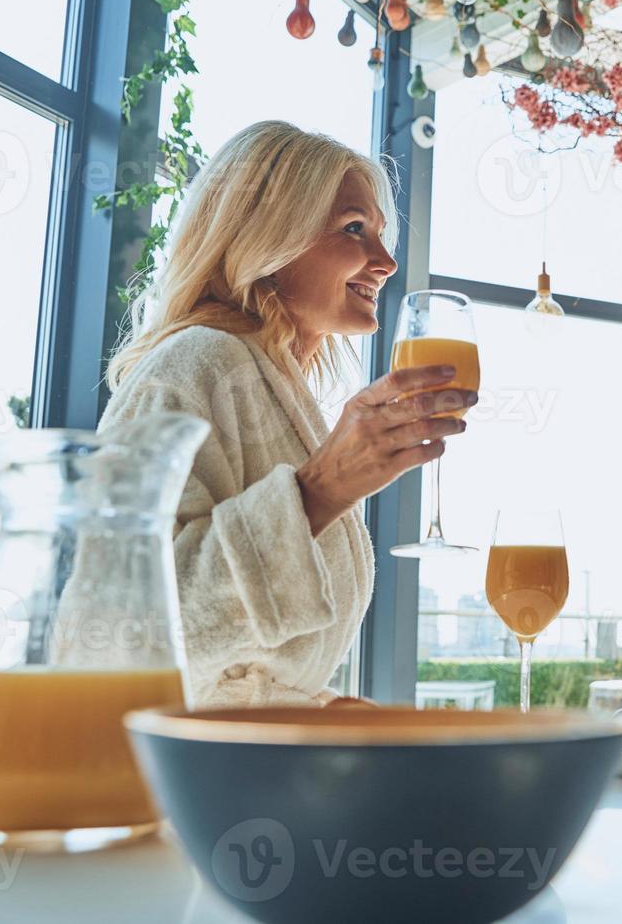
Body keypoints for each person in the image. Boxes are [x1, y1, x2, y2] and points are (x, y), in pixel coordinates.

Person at [97, 120, 470, 707]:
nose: (387, 262)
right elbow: (123, 627)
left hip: (245, 763)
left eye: (379, 233)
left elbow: (248, 669)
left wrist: (321, 710)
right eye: (354, 229)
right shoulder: (195, 364)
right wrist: (319, 491)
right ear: (268, 238)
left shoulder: (268, 383)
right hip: (181, 777)